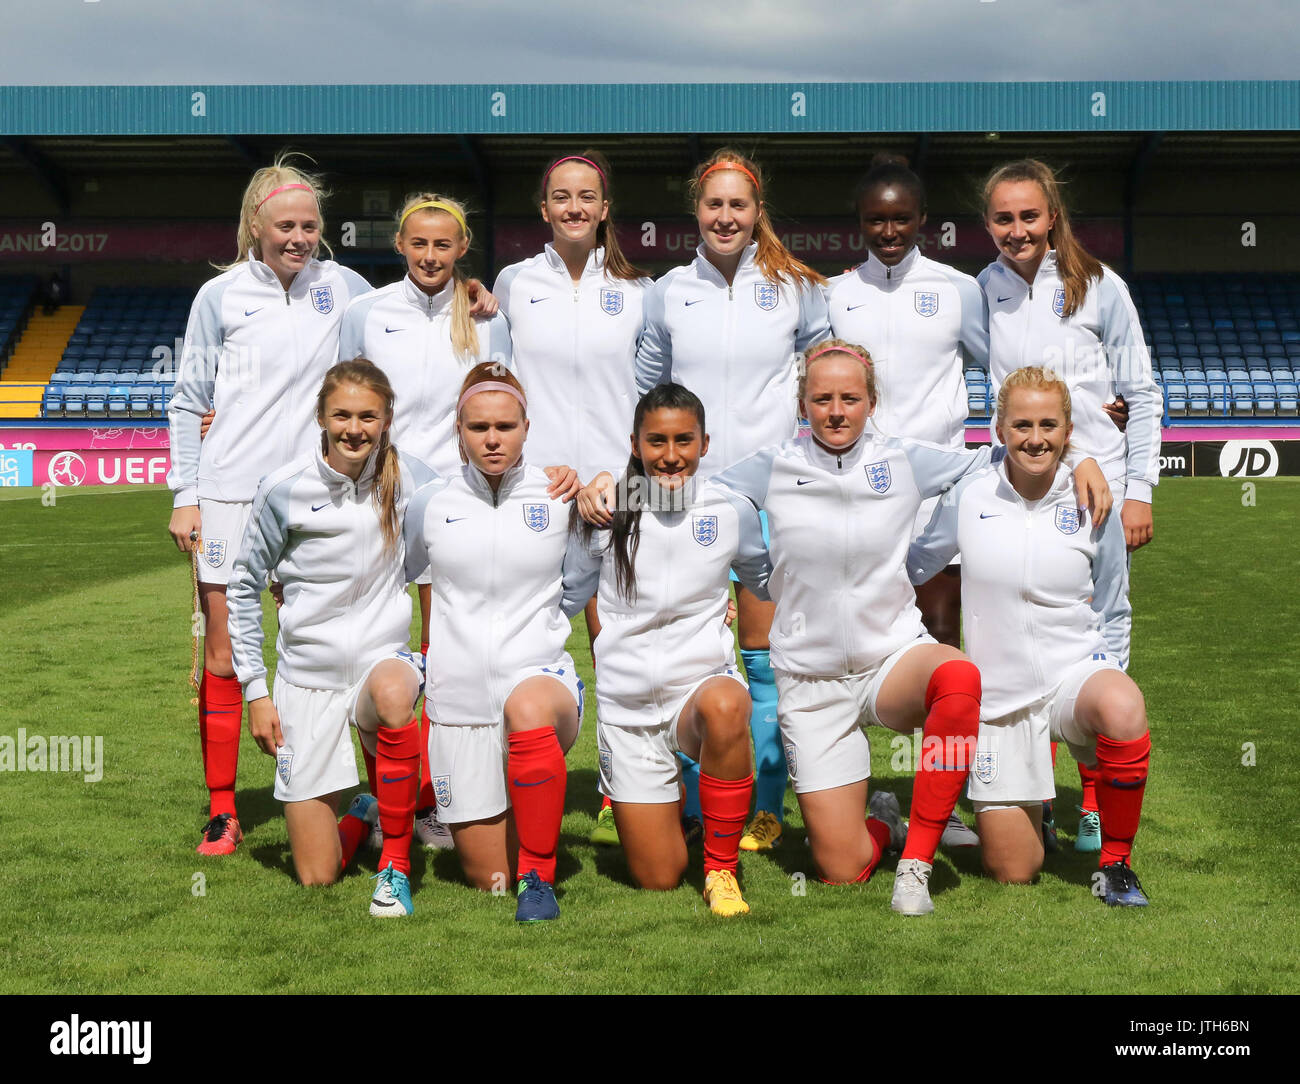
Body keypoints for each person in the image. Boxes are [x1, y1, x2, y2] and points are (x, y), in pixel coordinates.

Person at [672, 340, 1112, 915]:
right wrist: (751, 569)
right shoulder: (772, 465)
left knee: (957, 678)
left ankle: (916, 866)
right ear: (801, 403)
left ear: (871, 401)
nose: (836, 410)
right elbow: (705, 496)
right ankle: (885, 823)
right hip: (811, 681)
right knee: (843, 868)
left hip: (892, 658)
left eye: (850, 398)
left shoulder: (905, 458)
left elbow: (1008, 453)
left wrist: (1081, 456)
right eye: (822, 398)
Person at [166, 156, 372, 856]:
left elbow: (412, 313)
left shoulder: (345, 289)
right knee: (224, 652)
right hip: (228, 492)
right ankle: (224, 809)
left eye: (309, 226)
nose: (298, 238)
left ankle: (352, 788)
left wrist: (471, 295)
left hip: (316, 494)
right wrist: (186, 497)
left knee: (330, 643)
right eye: (285, 225)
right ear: (256, 224)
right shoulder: (219, 297)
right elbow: (189, 400)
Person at [634, 148, 831, 853]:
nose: (725, 217)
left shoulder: (797, 288)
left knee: (764, 656)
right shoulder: (666, 291)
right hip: (677, 501)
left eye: (737, 206)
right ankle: (687, 799)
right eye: (713, 205)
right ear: (697, 211)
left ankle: (767, 806)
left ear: (756, 213)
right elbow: (647, 390)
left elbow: (829, 376)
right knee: (683, 650)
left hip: (765, 501)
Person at [908, 367, 1152, 905]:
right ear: (999, 429)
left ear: (1068, 432)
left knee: (1124, 706)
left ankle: (1116, 865)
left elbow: (1114, 601)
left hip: (1073, 676)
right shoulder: (970, 494)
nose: (1035, 438)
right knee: (1015, 870)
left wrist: (1111, 669)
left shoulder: (1093, 499)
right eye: (1021, 424)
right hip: (999, 700)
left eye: (1048, 425)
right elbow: (916, 565)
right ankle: (1026, 821)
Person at [979, 159, 1160, 851]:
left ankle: (1093, 801)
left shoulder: (1099, 287)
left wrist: (1138, 490)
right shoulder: (982, 292)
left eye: (1029, 216)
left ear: (1051, 216)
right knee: (1018, 634)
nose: (1017, 230)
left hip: (1099, 493)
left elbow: (1141, 394)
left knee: (1102, 633)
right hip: (1018, 491)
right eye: (1003, 218)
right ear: (987, 224)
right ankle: (1040, 800)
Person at [225, 360, 436, 916]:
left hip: (381, 669)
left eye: (368, 416)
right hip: (306, 680)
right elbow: (243, 587)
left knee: (392, 692)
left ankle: (395, 866)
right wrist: (256, 693)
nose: (354, 428)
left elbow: (475, 515)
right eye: (341, 414)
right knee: (316, 877)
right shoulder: (283, 488)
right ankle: (367, 810)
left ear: (387, 419)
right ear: (320, 415)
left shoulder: (416, 478)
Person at [338, 192, 513, 853]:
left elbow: (505, 407)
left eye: (444, 245)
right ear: (401, 246)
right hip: (376, 502)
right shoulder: (366, 313)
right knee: (373, 653)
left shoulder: (486, 318)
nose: (431, 255)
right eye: (419, 243)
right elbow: (339, 400)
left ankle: (442, 800)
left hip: (457, 510)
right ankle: (392, 797)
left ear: (462, 249)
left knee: (450, 658)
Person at [825, 152, 989, 848]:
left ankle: (941, 803)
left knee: (943, 652)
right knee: (848, 650)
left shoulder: (958, 290)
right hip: (852, 502)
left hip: (935, 501)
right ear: (858, 223)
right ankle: (859, 796)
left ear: (923, 221)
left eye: (899, 218)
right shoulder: (833, 294)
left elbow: (1009, 369)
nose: (887, 230)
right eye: (874, 219)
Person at [491, 150, 653, 849]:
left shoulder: (643, 290)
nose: (575, 208)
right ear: (544, 207)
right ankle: (528, 777)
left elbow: (656, 397)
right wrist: (537, 465)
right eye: (561, 197)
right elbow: (494, 382)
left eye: (587, 197)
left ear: (605, 206)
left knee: (620, 641)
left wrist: (626, 475)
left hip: (624, 492)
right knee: (529, 634)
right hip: (543, 492)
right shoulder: (514, 283)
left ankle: (627, 785)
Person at [566, 384, 771, 915]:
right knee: (658, 877)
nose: (672, 455)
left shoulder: (731, 509)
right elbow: (565, 592)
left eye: (685, 440)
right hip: (628, 709)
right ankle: (680, 813)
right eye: (657, 441)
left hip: (698, 692)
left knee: (728, 705)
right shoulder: (607, 509)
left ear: (706, 443)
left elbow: (767, 579)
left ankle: (722, 870)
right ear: (635, 443)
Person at [403, 364, 586, 922]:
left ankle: (540, 876)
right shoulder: (430, 503)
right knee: (489, 879)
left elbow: (580, 582)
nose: (492, 438)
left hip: (539, 686)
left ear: (526, 427)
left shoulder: (558, 496)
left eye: (505, 426)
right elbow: (395, 575)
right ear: (458, 429)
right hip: (459, 705)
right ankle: (388, 813)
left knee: (526, 709)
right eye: (478, 426)